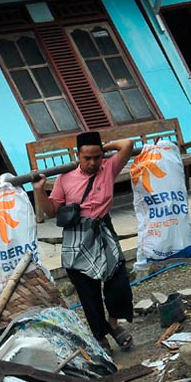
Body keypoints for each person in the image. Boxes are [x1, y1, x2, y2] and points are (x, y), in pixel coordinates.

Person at [33, 131, 136, 350]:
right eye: (87, 158)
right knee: (88, 291)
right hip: (77, 235)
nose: (92, 163)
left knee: (118, 281)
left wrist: (103, 147)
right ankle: (100, 336)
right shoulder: (65, 178)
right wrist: (39, 190)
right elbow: (51, 211)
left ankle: (113, 324)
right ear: (78, 156)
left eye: (96, 157)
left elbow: (127, 143)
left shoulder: (109, 167)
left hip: (103, 230)